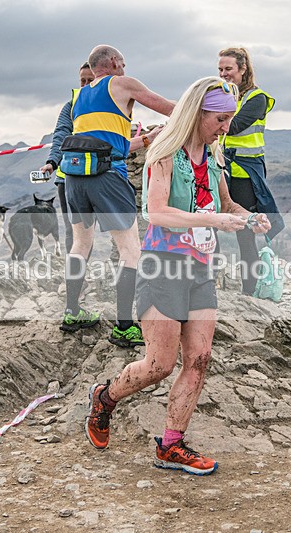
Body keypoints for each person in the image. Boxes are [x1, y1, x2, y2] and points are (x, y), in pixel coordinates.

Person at [84, 76, 271, 475]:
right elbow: (157, 213)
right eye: (220, 119)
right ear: (197, 113)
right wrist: (215, 220)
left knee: (199, 359)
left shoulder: (215, 155)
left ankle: (171, 446)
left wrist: (248, 218)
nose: (226, 127)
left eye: (229, 119)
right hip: (162, 266)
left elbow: (225, 203)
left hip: (200, 269)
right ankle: (105, 398)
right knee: (159, 364)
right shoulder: (165, 152)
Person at [61, 44, 171, 348]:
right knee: (130, 250)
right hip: (109, 178)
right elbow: (171, 108)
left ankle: (72, 312)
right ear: (113, 62)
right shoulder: (123, 84)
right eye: (122, 62)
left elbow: (113, 143)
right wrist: (208, 104)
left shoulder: (79, 97)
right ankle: (124, 326)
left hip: (76, 177)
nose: (125, 67)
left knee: (81, 244)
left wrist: (148, 139)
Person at [217, 47, 285, 296]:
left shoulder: (257, 98)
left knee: (245, 236)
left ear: (243, 69)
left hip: (245, 174)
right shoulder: (225, 95)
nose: (224, 74)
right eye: (220, 70)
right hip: (223, 171)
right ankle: (208, 288)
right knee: (209, 225)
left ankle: (249, 293)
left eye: (229, 69)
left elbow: (231, 127)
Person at [39, 62, 95, 253]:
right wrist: (52, 162)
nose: (86, 85)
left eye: (91, 80)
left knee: (90, 231)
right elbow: (61, 134)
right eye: (82, 81)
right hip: (67, 178)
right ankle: (74, 277)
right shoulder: (70, 107)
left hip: (97, 177)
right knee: (74, 231)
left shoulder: (110, 108)